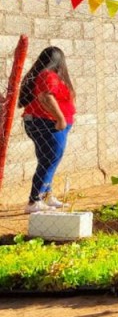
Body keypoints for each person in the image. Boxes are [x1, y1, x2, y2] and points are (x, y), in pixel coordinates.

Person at [18, 46, 76, 213]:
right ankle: (34, 200)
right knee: (49, 160)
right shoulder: (47, 75)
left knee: (48, 160)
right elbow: (45, 96)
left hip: (45, 123)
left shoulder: (43, 74)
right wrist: (60, 118)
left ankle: (46, 196)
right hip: (48, 123)